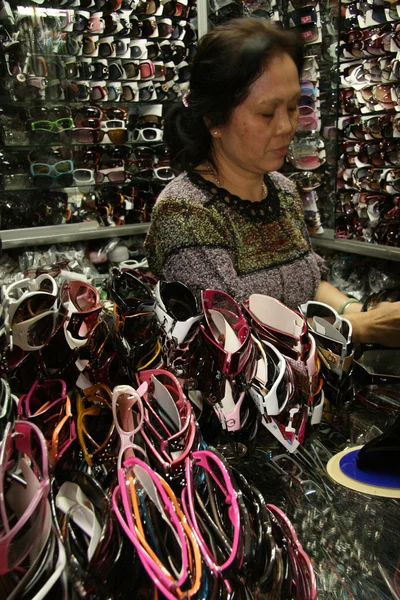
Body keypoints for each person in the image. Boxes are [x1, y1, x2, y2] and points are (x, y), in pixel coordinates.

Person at [144, 17, 400, 347]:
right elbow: (231, 339)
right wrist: (356, 326)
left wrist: (356, 308)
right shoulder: (186, 214)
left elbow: (309, 281)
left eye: (293, 107)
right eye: (268, 113)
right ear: (214, 120)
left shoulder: (281, 189)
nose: (286, 126)